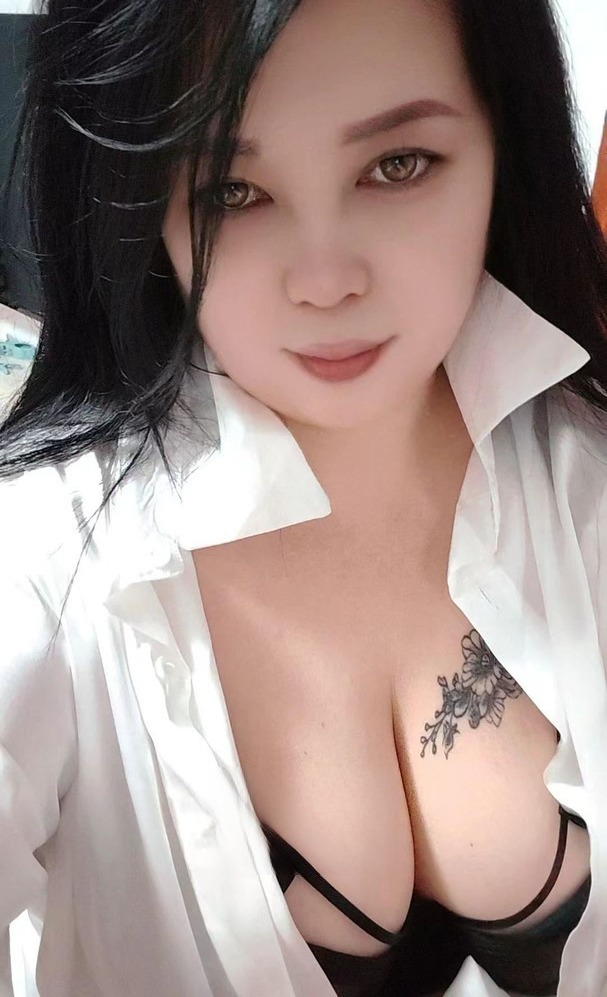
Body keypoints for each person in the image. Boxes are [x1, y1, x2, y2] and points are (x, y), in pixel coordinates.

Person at [0, 0, 606, 995]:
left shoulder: (580, 462)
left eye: (397, 164)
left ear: (506, 141)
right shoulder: (49, 560)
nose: (325, 281)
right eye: (230, 190)